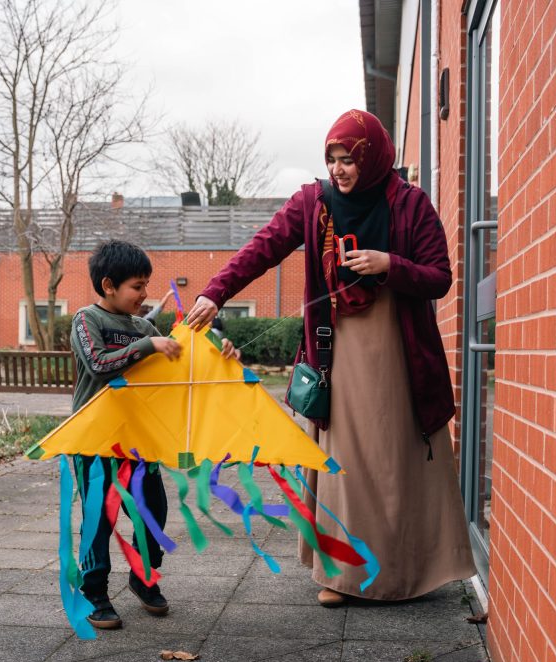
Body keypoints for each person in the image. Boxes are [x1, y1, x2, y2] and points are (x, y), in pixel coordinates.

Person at [186, 110, 475, 606]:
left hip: (400, 350)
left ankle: (406, 570)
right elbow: (263, 249)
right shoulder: (312, 202)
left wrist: (390, 264)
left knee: (395, 459)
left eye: (349, 159)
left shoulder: (411, 204)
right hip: (336, 349)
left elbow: (440, 276)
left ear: (373, 156)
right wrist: (215, 293)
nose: (339, 169)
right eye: (332, 159)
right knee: (345, 457)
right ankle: (342, 575)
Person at [70, 240, 239, 629]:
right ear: (109, 284)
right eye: (137, 286)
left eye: (147, 285)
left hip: (139, 440)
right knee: (99, 519)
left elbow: (182, 366)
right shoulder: (86, 319)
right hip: (94, 441)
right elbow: (97, 364)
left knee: (153, 511)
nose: (145, 294)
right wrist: (148, 345)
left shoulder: (144, 326)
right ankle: (94, 591)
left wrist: (221, 352)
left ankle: (142, 576)